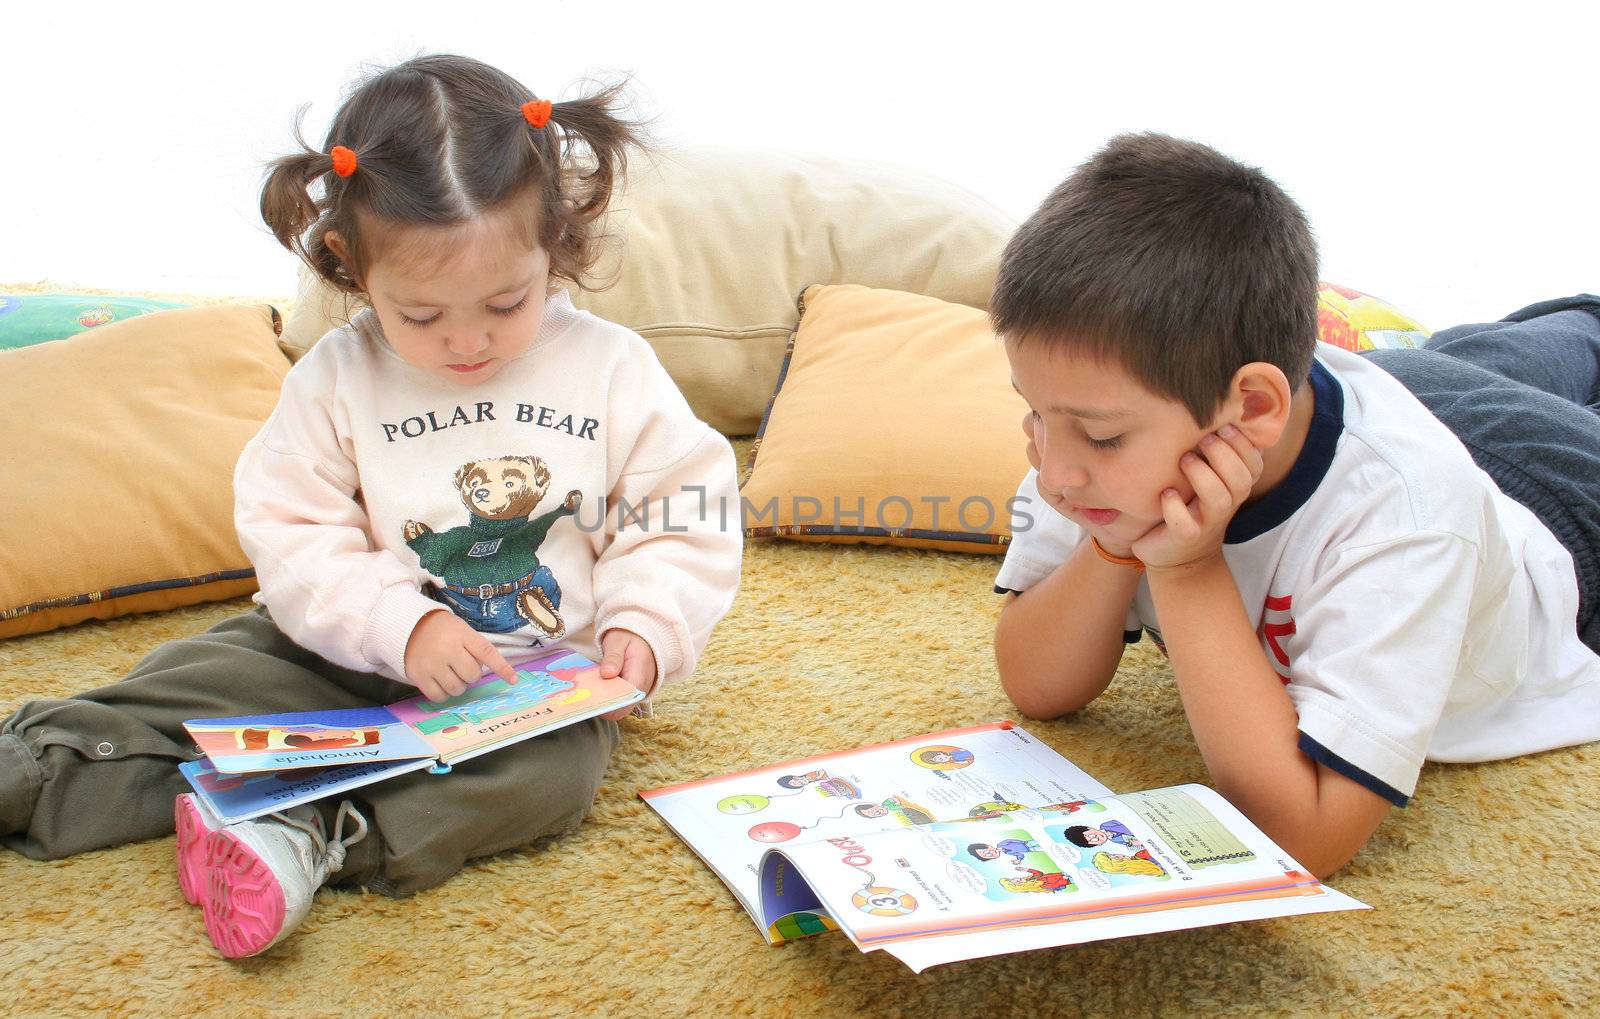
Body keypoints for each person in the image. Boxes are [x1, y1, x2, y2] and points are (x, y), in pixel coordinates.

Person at [0, 54, 742, 957]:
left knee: (556, 780)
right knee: (199, 679)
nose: (465, 339)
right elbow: (293, 530)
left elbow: (685, 504)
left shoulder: (614, 367)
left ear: (556, 240)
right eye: (420, 315)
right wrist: (398, 626)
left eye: (506, 303)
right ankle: (37, 769)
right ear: (352, 266)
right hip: (343, 653)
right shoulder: (337, 377)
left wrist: (649, 621)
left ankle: (308, 833)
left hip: (518, 688)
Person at [990, 132, 1600, 879]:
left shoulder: (1412, 523)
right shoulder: (1089, 458)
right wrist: (1115, 546)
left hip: (1557, 498)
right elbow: (1038, 684)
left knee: (1567, 351)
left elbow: (1304, 837)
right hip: (1399, 382)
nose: (1053, 474)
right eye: (1036, 414)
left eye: (1101, 434)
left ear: (1248, 406)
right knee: (1485, 356)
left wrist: (1187, 569)